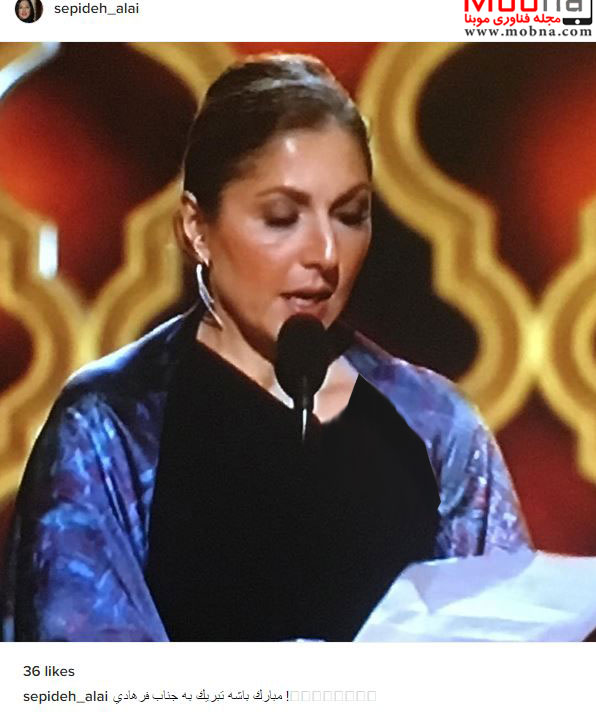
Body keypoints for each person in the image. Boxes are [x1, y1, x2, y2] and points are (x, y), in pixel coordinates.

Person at [0, 54, 530, 642]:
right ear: (197, 227)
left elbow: (507, 648)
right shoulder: (112, 425)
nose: (325, 253)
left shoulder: (436, 426)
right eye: (282, 218)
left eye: (351, 216)